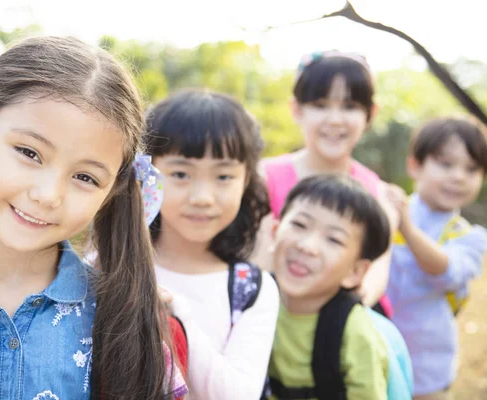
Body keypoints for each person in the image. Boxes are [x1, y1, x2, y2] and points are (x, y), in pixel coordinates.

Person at [0, 36, 186, 399]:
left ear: (111, 192)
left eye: (85, 177)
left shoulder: (127, 327)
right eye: (29, 152)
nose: (48, 194)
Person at [146, 89, 279, 399]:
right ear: (148, 172)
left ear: (246, 180)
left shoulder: (250, 290)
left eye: (223, 177)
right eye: (180, 173)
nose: (202, 198)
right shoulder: (104, 265)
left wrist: (176, 315)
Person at [254, 50, 398, 314]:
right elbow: (259, 262)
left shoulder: (378, 194)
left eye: (349, 106)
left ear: (371, 113)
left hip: (346, 322)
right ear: (296, 109)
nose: (335, 119)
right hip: (273, 316)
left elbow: (374, 277)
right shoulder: (263, 178)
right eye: (320, 105)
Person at [386, 117, 487, 400]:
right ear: (415, 165)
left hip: (428, 374)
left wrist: (405, 227)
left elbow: (447, 271)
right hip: (377, 358)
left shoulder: (471, 238)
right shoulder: (385, 213)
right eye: (446, 164)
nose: (459, 176)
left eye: (472, 169)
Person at [267, 175, 393, 400]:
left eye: (333, 239)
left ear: (355, 272)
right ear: (275, 232)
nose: (307, 246)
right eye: (299, 224)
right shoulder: (252, 299)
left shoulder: (354, 331)